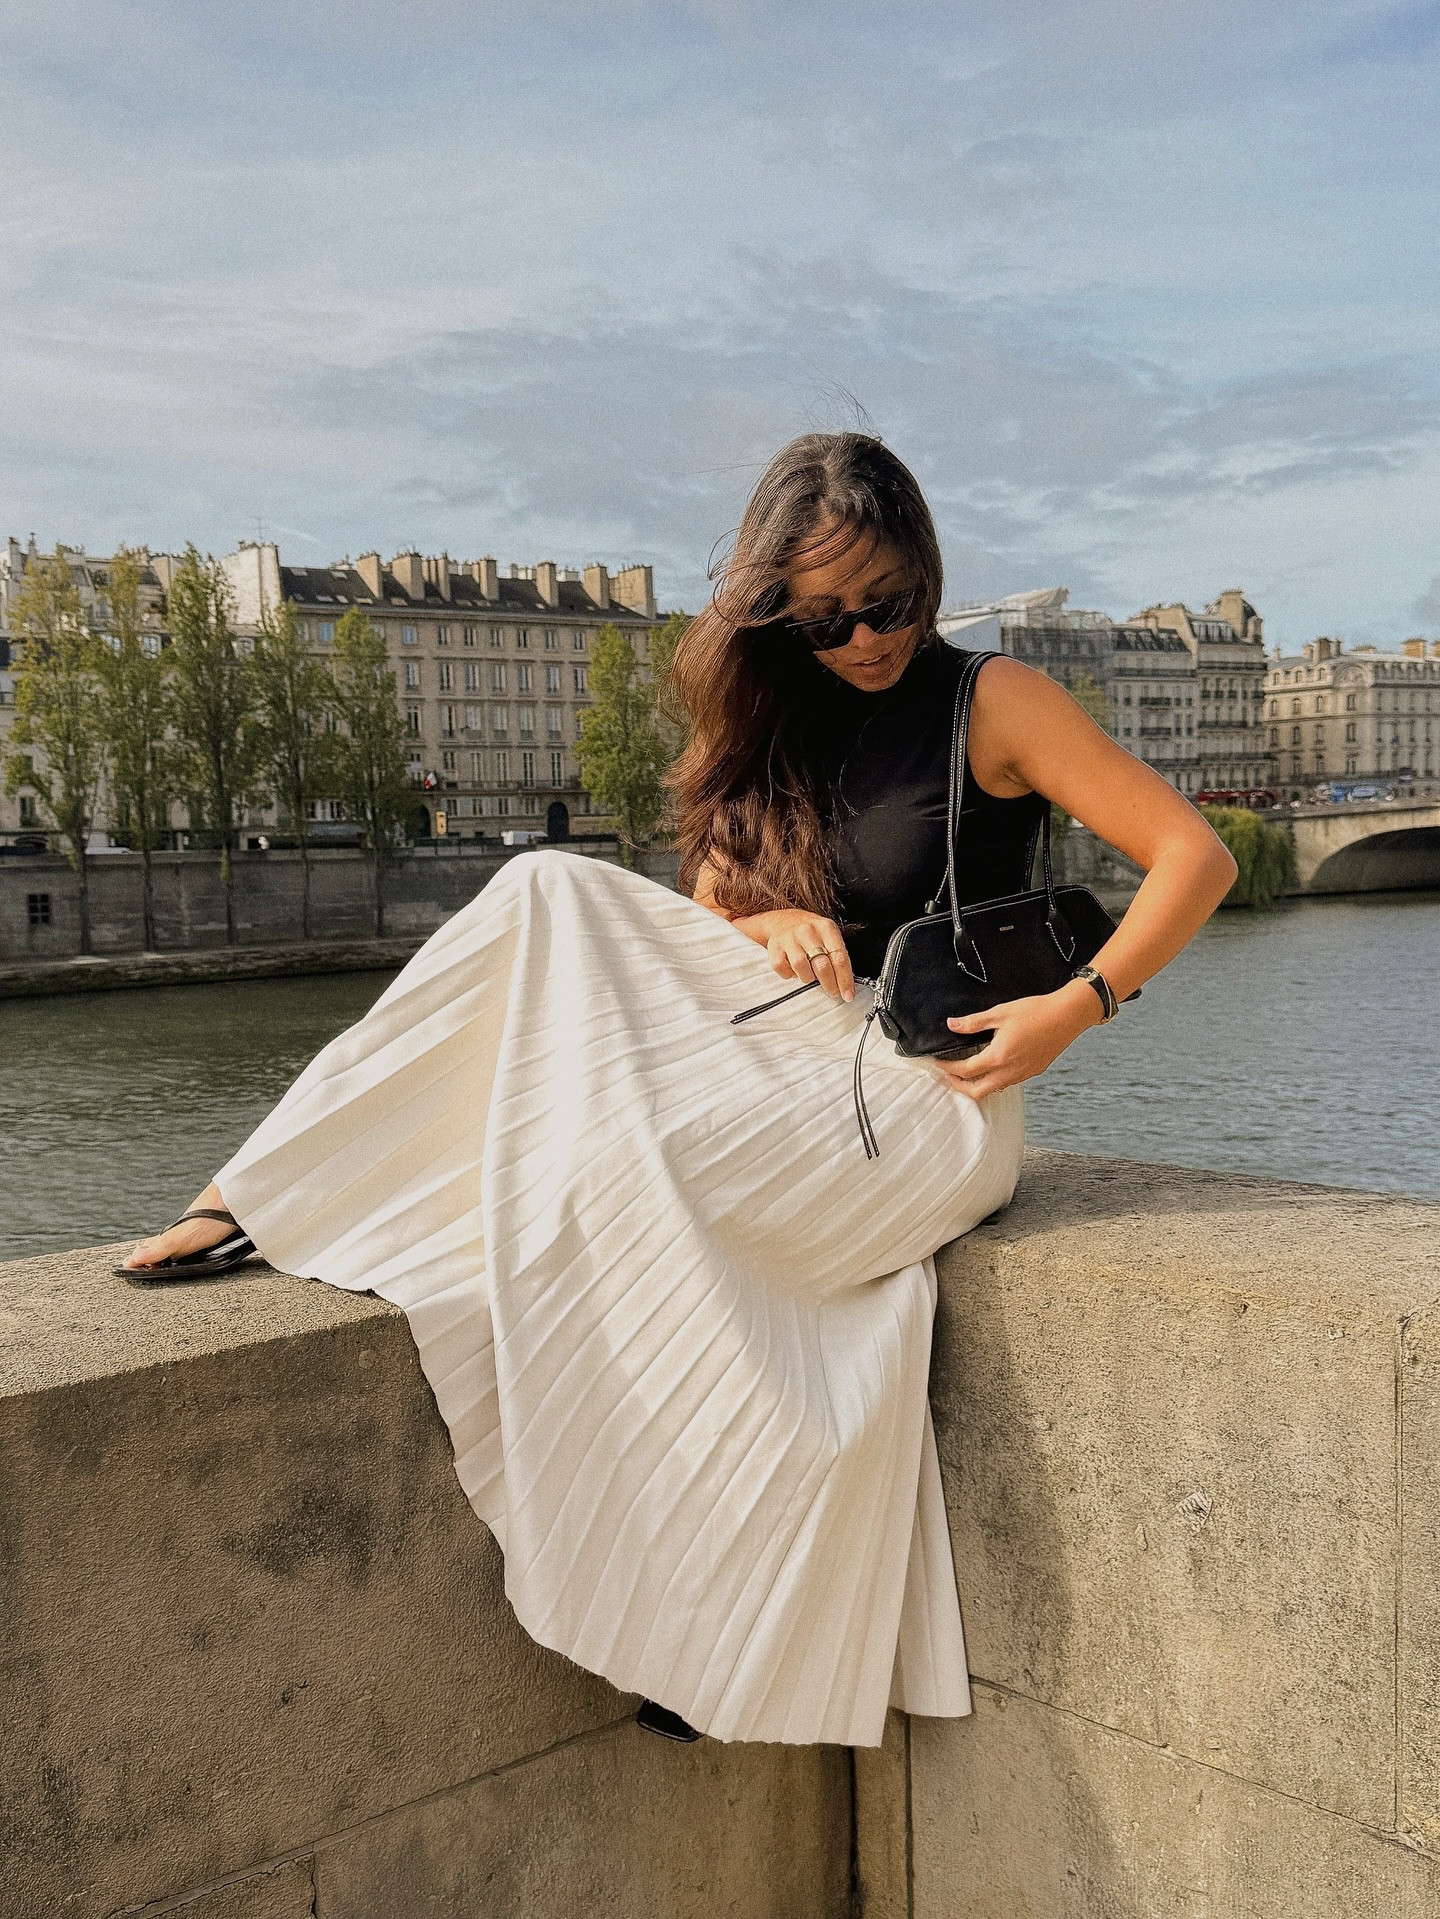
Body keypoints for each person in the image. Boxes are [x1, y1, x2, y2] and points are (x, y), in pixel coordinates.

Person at [120, 433, 1236, 1748]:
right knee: (543, 890)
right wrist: (767, 928)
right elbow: (707, 921)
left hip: (938, 1102)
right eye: (828, 618)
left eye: (891, 603)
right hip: (794, 1061)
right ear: (779, 614)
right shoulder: (774, 720)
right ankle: (255, 1191)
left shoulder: (990, 699)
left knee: (616, 1165)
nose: (868, 637)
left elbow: (1194, 856)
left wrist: (1077, 1005)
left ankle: (706, 1618)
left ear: (927, 574)